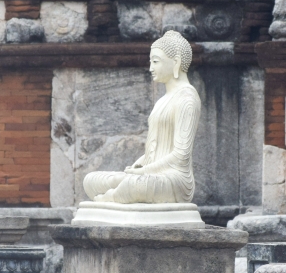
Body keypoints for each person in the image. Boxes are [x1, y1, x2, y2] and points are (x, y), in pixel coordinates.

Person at [82, 30, 201, 204]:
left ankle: (113, 197)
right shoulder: (162, 101)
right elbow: (154, 150)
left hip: (174, 180)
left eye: (155, 62)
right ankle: (119, 194)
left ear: (176, 62)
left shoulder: (187, 99)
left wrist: (144, 172)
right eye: (150, 62)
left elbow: (181, 154)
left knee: (136, 184)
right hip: (150, 175)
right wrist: (140, 164)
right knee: (91, 180)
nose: (151, 68)